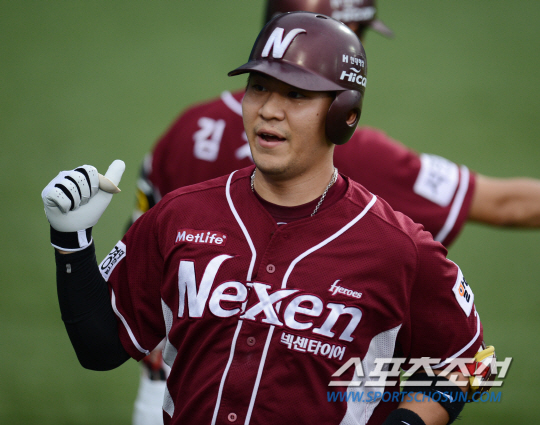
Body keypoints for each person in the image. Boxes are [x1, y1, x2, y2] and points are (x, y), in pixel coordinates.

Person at [42, 11, 495, 425]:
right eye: (258, 87)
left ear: (344, 114)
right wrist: (72, 242)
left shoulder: (398, 249)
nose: (268, 110)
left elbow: (469, 365)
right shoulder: (179, 215)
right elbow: (100, 349)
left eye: (296, 94)